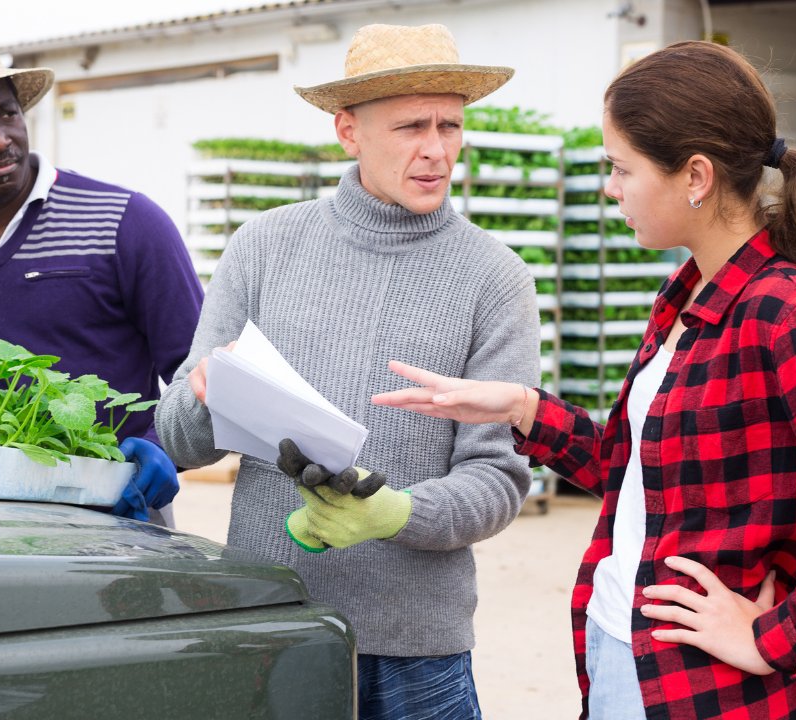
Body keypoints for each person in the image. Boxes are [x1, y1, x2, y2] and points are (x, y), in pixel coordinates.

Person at [372, 40, 796, 720]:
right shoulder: (688, 293)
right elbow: (642, 473)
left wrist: (781, 637)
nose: (611, 188)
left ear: (695, 177)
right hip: (627, 661)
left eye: (622, 168)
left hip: (712, 693)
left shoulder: (783, 310)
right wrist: (522, 408)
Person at [155, 23, 539, 719]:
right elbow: (179, 439)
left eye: (450, 125)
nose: (436, 149)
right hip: (270, 620)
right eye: (410, 126)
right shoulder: (265, 247)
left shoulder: (495, 278)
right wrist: (208, 398)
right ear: (347, 131)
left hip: (418, 648)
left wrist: (400, 514)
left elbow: (501, 479)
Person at [0, 27, 203, 522]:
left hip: (117, 511)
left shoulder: (125, 221)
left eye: (6, 113)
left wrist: (158, 449)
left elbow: (198, 372)